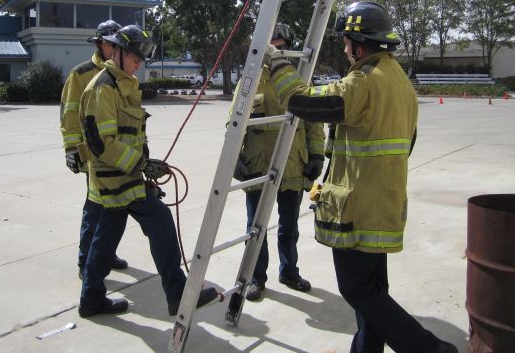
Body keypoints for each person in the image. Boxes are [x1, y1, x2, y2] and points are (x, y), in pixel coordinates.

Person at [262, 2, 458, 353]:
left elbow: (302, 102)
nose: (344, 48)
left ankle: (432, 350)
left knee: (358, 291)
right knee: (373, 292)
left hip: (358, 207)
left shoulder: (364, 82)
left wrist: (276, 60)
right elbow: (408, 142)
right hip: (385, 204)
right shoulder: (399, 80)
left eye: (345, 41)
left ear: (358, 43)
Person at [77, 24, 218, 317]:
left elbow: (129, 134)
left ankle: (91, 299)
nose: (138, 63)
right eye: (133, 56)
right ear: (116, 51)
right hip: (115, 178)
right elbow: (101, 142)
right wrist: (140, 164)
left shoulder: (121, 84)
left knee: (106, 238)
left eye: (141, 58)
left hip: (125, 176)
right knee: (160, 221)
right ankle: (177, 294)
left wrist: (145, 169)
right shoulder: (103, 88)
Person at [233, 23, 325, 301]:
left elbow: (313, 122)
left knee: (289, 227)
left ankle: (289, 272)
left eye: (280, 47)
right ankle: (256, 278)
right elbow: (234, 122)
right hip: (257, 165)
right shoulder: (248, 82)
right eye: (270, 47)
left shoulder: (299, 81)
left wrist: (317, 154)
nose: (275, 52)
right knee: (255, 228)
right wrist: (235, 157)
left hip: (292, 165)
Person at [60, 20, 128, 279]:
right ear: (99, 44)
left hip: (118, 153)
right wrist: (71, 150)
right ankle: (85, 260)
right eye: (111, 44)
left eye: (117, 44)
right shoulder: (81, 73)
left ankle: (106, 254)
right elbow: (69, 113)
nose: (114, 49)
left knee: (116, 207)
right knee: (95, 207)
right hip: (94, 154)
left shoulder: (123, 74)